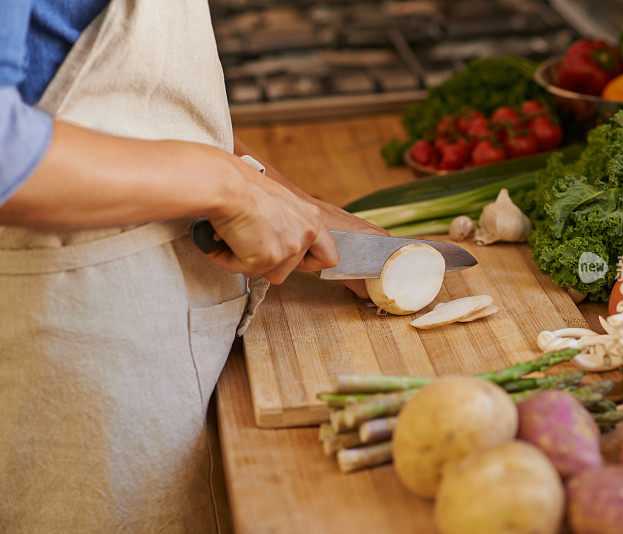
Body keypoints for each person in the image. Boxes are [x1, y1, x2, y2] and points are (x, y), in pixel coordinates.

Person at [0, 1, 385, 532]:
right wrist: (230, 189)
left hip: (154, 335)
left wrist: (296, 205)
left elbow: (141, 106)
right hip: (76, 356)